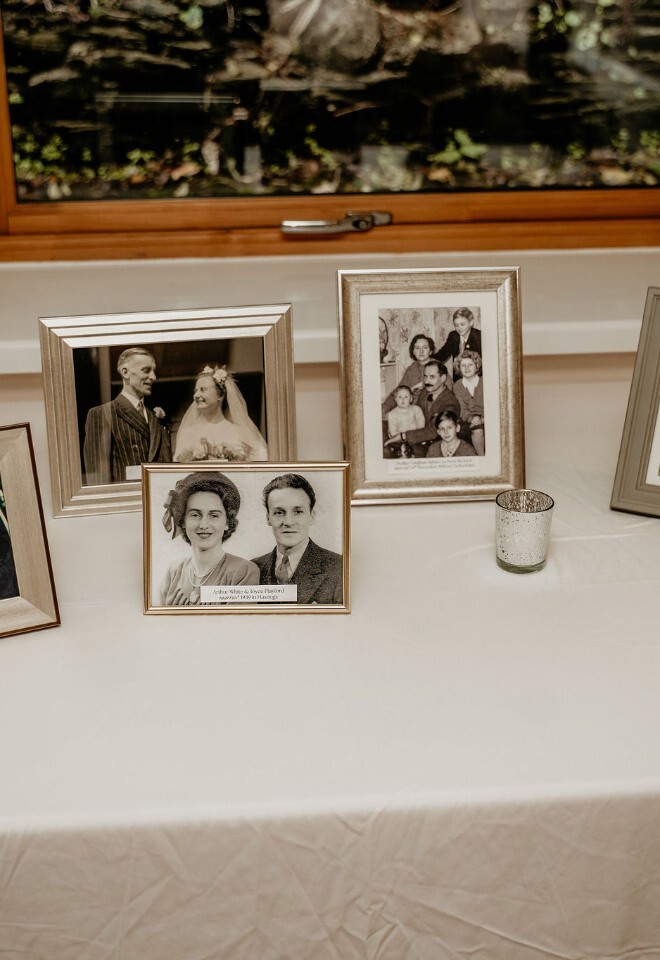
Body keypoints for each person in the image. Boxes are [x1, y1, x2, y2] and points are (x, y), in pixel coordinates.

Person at [160, 471, 259, 606]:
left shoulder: (243, 572)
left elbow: (238, 626)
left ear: (227, 522)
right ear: (182, 520)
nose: (204, 525)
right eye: (195, 515)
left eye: (214, 515)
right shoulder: (173, 573)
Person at [83, 347, 171, 485]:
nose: (153, 377)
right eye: (146, 370)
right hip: (125, 499)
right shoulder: (101, 414)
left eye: (154, 371)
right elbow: (97, 479)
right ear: (125, 372)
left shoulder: (155, 417)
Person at [252, 473, 343, 604]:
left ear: (311, 516)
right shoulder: (252, 569)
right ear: (268, 518)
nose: (288, 522)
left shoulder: (338, 568)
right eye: (279, 513)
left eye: (298, 511)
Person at [174, 365, 268, 462]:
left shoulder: (240, 432)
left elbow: (261, 459)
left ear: (220, 395)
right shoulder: (187, 433)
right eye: (195, 391)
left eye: (203, 389)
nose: (196, 395)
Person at [385, 360, 460, 457]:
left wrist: (403, 436)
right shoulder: (424, 392)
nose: (427, 381)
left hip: (437, 445)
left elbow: (434, 431)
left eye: (432, 377)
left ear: (443, 378)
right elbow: (413, 412)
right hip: (418, 438)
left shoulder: (450, 402)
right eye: (425, 376)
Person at [382, 333, 437, 416]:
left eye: (425, 348)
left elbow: (447, 393)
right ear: (413, 352)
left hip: (430, 411)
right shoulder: (411, 369)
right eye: (417, 348)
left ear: (430, 351)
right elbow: (398, 391)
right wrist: (384, 408)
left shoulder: (438, 366)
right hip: (409, 410)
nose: (421, 351)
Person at [433, 307, 482, 380]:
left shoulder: (478, 336)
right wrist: (427, 358)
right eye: (456, 325)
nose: (459, 328)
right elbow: (442, 355)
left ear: (471, 322)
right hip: (458, 379)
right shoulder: (453, 336)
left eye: (462, 324)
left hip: (477, 378)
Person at [453, 350, 485, 455]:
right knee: (477, 431)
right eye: (463, 365)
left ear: (476, 366)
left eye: (470, 365)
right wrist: (471, 418)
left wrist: (483, 418)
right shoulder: (457, 385)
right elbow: (461, 408)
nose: (466, 368)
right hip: (468, 420)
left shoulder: (485, 382)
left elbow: (492, 405)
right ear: (459, 368)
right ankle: (482, 457)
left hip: (487, 417)